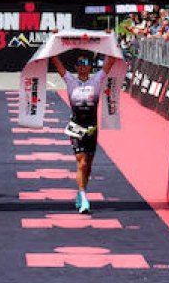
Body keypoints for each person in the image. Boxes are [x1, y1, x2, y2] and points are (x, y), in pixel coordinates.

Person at [50, 51, 121, 214]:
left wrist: (110, 39)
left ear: (91, 66)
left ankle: (80, 193)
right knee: (81, 162)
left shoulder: (97, 79)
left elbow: (110, 62)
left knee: (88, 165)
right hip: (76, 127)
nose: (83, 67)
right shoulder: (70, 80)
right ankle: (84, 197)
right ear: (75, 67)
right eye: (80, 64)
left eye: (86, 63)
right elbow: (56, 62)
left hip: (92, 128)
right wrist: (53, 41)